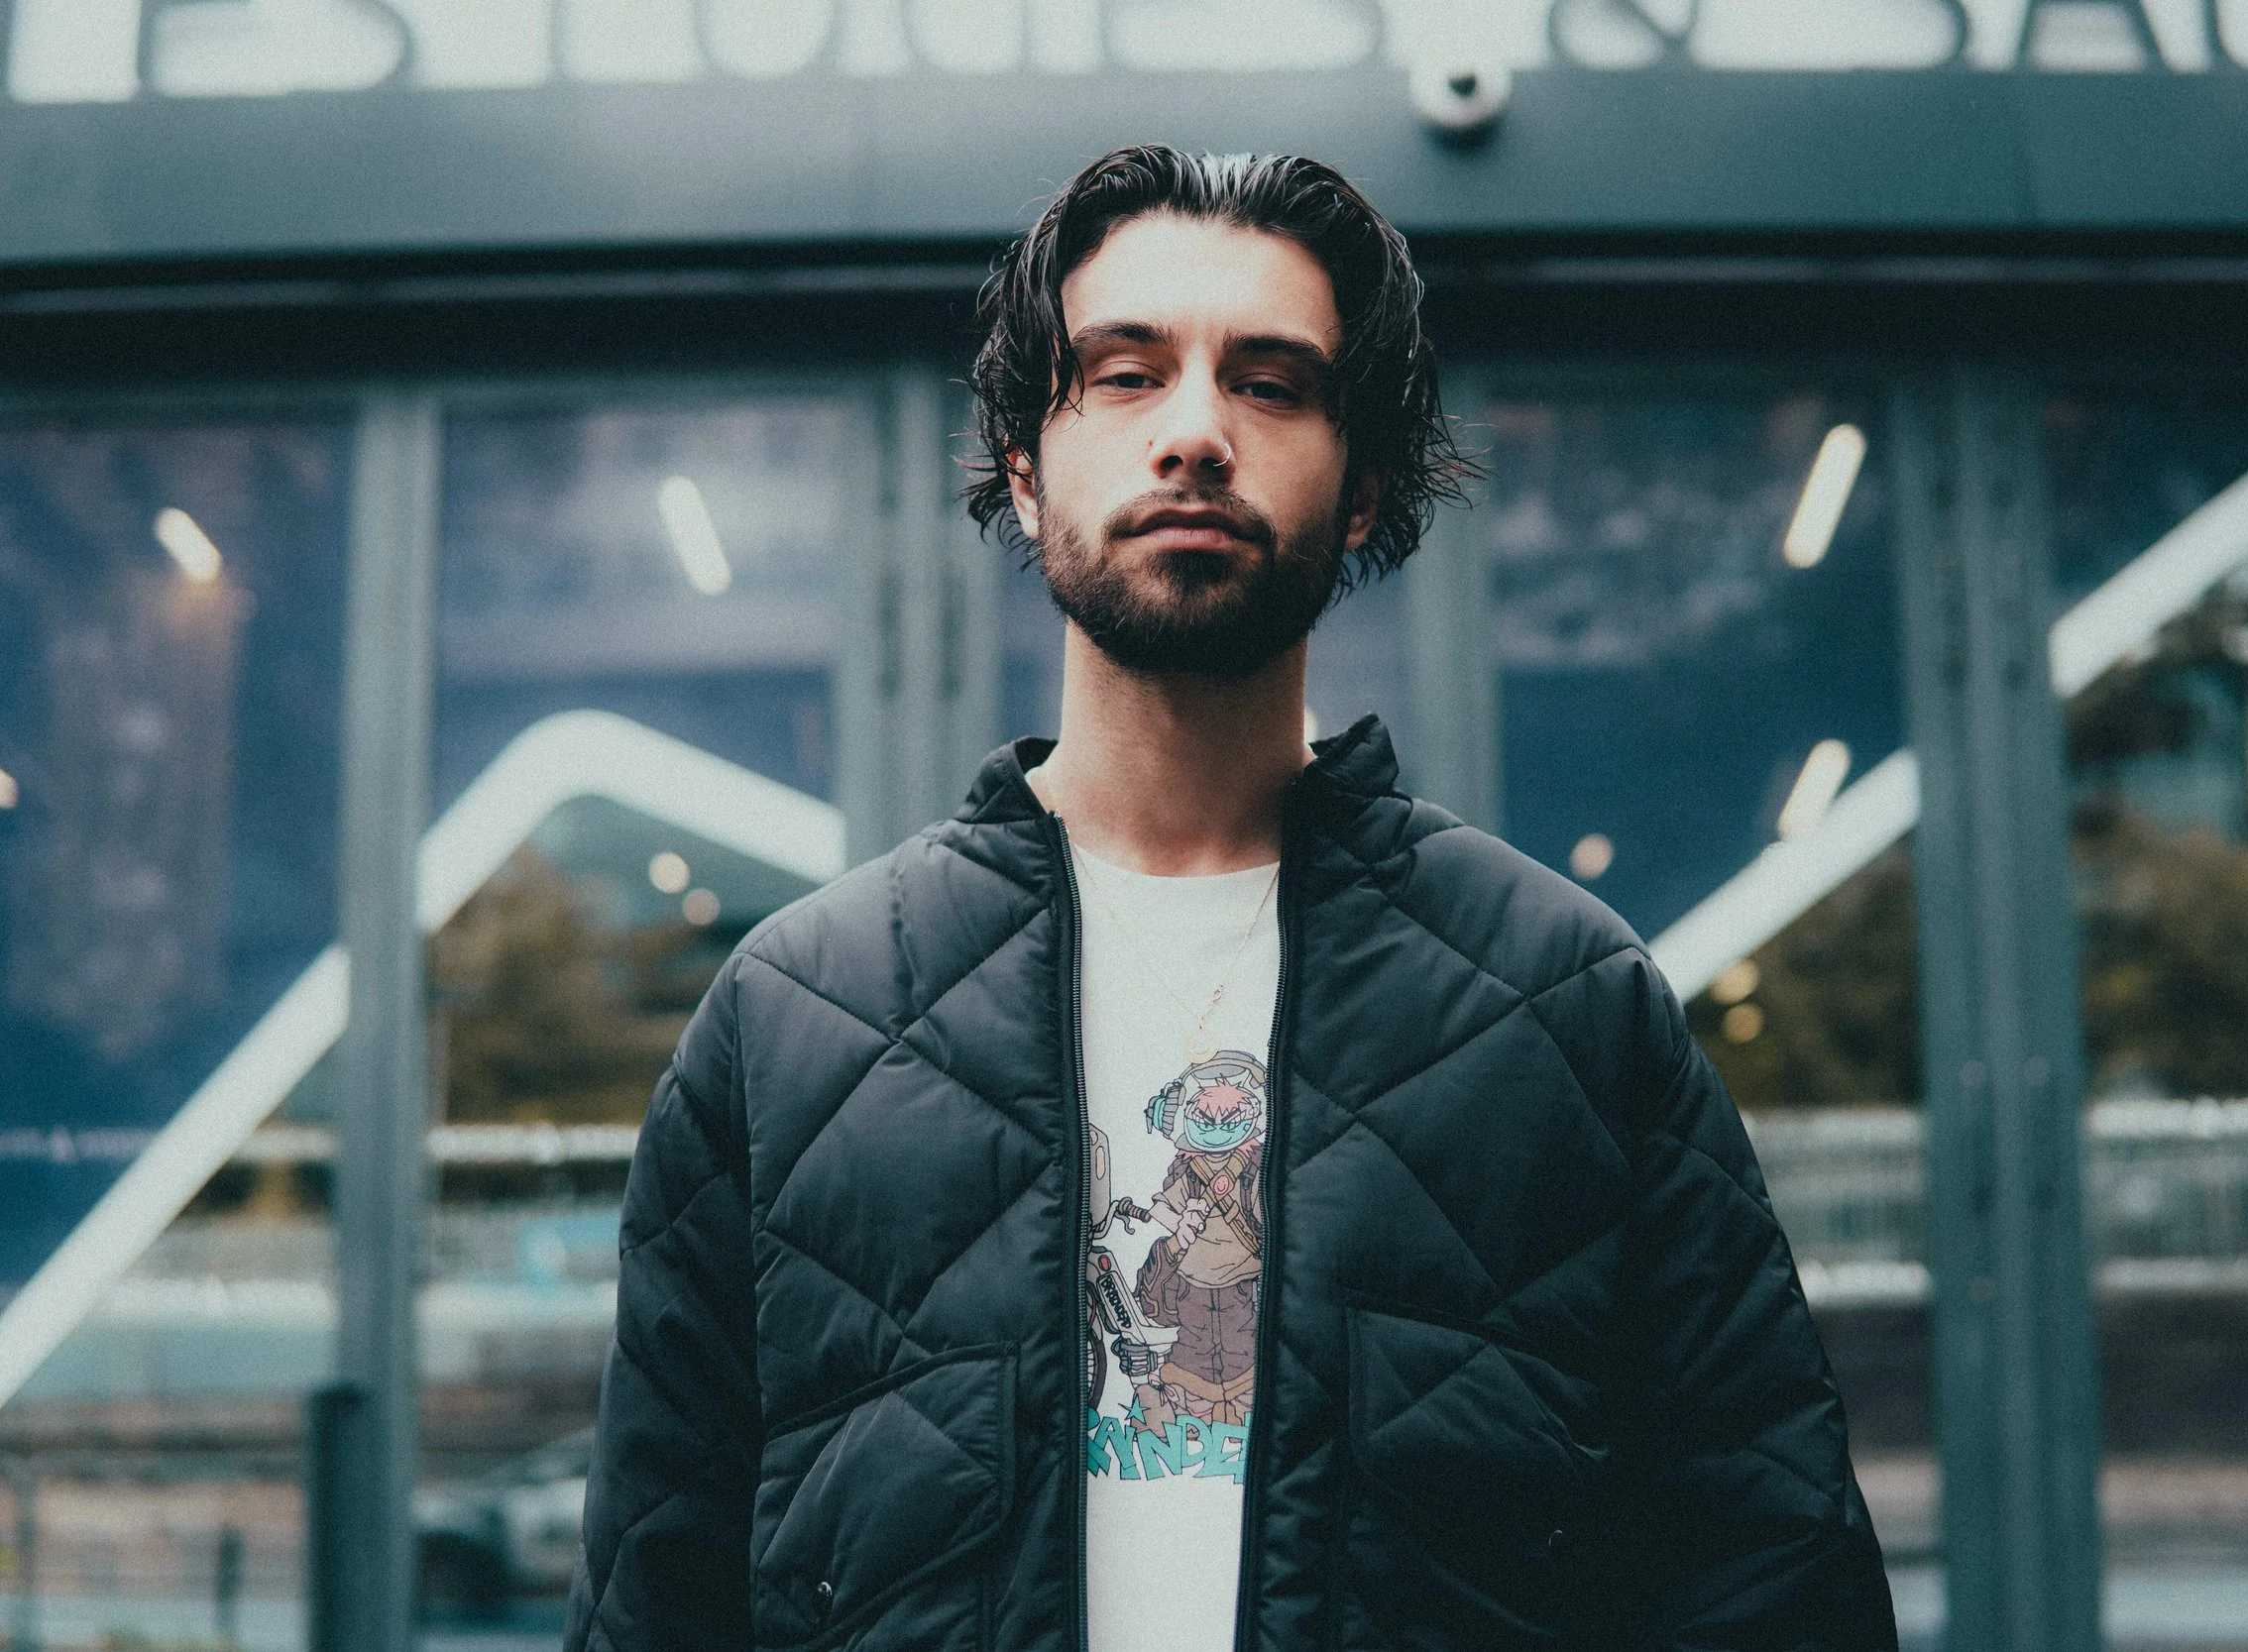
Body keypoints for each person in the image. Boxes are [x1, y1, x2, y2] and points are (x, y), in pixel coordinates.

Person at [566, 145, 1894, 1652]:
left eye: (1271, 383)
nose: (1195, 431)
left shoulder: (1564, 1000)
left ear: (1364, 481)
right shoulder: (797, 1017)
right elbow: (656, 1597)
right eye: (1125, 375)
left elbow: (1770, 1579)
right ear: (1023, 460)